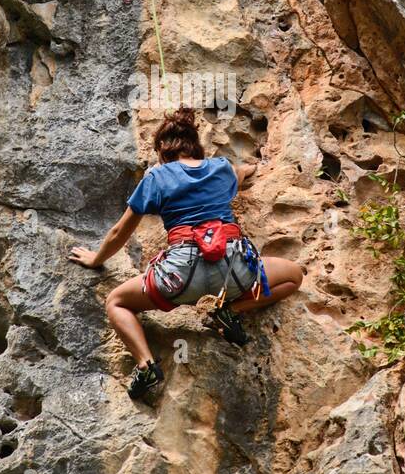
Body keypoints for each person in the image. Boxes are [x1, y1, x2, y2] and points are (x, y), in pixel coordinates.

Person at [68, 107, 304, 402]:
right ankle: (229, 312)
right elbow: (243, 173)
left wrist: (96, 259)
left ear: (162, 152)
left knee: (116, 302)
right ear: (196, 146)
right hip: (233, 272)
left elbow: (119, 232)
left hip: (179, 277)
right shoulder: (221, 168)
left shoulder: (157, 177)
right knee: (294, 276)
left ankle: (146, 365)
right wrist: (255, 167)